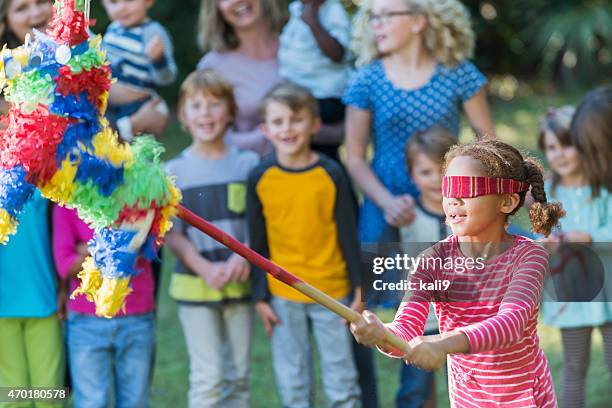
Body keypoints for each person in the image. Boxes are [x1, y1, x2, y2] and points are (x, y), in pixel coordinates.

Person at [351, 139, 564, 407]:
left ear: (507, 201)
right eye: (449, 188)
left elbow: (510, 324)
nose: (454, 199)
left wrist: (441, 343)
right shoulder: (431, 261)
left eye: (467, 188)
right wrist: (382, 334)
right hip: (468, 400)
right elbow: (406, 328)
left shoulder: (528, 256)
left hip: (525, 398)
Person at [248, 82, 362, 407]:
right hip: (283, 295)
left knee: (342, 380)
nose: (287, 129)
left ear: (314, 125)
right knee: (293, 381)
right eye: (279, 121)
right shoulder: (260, 176)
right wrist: (260, 296)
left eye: (296, 120)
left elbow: (349, 234)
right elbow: (255, 243)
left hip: (333, 292)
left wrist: (358, 289)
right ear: (265, 129)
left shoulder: (331, 173)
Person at [344, 0, 495, 243]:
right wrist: (388, 203)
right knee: (388, 279)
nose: (376, 25)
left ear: (418, 21)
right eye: (373, 17)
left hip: (446, 198)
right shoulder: (366, 80)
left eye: (387, 16)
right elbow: (354, 158)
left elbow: (490, 145)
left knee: (452, 278)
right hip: (386, 203)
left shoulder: (458, 73)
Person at [165, 70, 259, 408]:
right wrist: (201, 266)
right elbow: (171, 233)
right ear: (184, 117)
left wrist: (242, 257)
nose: (205, 113)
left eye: (214, 105)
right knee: (209, 377)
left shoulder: (248, 164)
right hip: (195, 284)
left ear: (231, 112)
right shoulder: (173, 171)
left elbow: (256, 224)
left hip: (239, 283)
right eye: (197, 106)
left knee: (238, 377)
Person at [539, 91, 612, 408]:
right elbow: (543, 234)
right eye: (551, 147)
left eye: (567, 144)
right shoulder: (547, 194)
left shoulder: (602, 186)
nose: (560, 154)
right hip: (573, 292)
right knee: (573, 368)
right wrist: (548, 244)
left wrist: (590, 236)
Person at [53, 205, 156, 408]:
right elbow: (66, 264)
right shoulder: (67, 199)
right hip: (86, 319)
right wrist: (121, 246)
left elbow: (151, 248)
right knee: (91, 402)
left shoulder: (142, 190)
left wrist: (89, 249)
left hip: (136, 314)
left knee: (136, 402)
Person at [383, 126, 455, 408]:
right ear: (412, 176)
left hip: (462, 322)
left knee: (465, 387)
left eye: (443, 170)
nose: (436, 180)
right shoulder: (406, 215)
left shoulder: (471, 214)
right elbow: (388, 262)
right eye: (426, 173)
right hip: (420, 322)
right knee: (414, 392)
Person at [196, 0, 287, 156]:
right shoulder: (213, 66)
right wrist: (276, 133)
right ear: (216, 9)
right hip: (247, 173)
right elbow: (208, 136)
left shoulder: (299, 47)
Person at [0, 192, 65, 408]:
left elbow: (58, 232)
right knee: (11, 398)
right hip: (3, 310)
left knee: (50, 395)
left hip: (43, 300)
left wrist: (63, 287)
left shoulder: (39, 175)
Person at [278, 0, 352, 161]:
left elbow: (337, 54)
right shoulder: (295, 8)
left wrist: (313, 23)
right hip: (296, 92)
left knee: (321, 154)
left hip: (325, 96)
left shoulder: (333, 10)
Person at [100, 0, 177, 142]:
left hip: (136, 107)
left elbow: (167, 78)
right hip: (109, 105)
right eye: (113, 2)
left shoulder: (153, 32)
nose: (122, 7)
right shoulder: (113, 29)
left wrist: (158, 59)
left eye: (129, 1)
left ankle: (126, 129)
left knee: (135, 154)